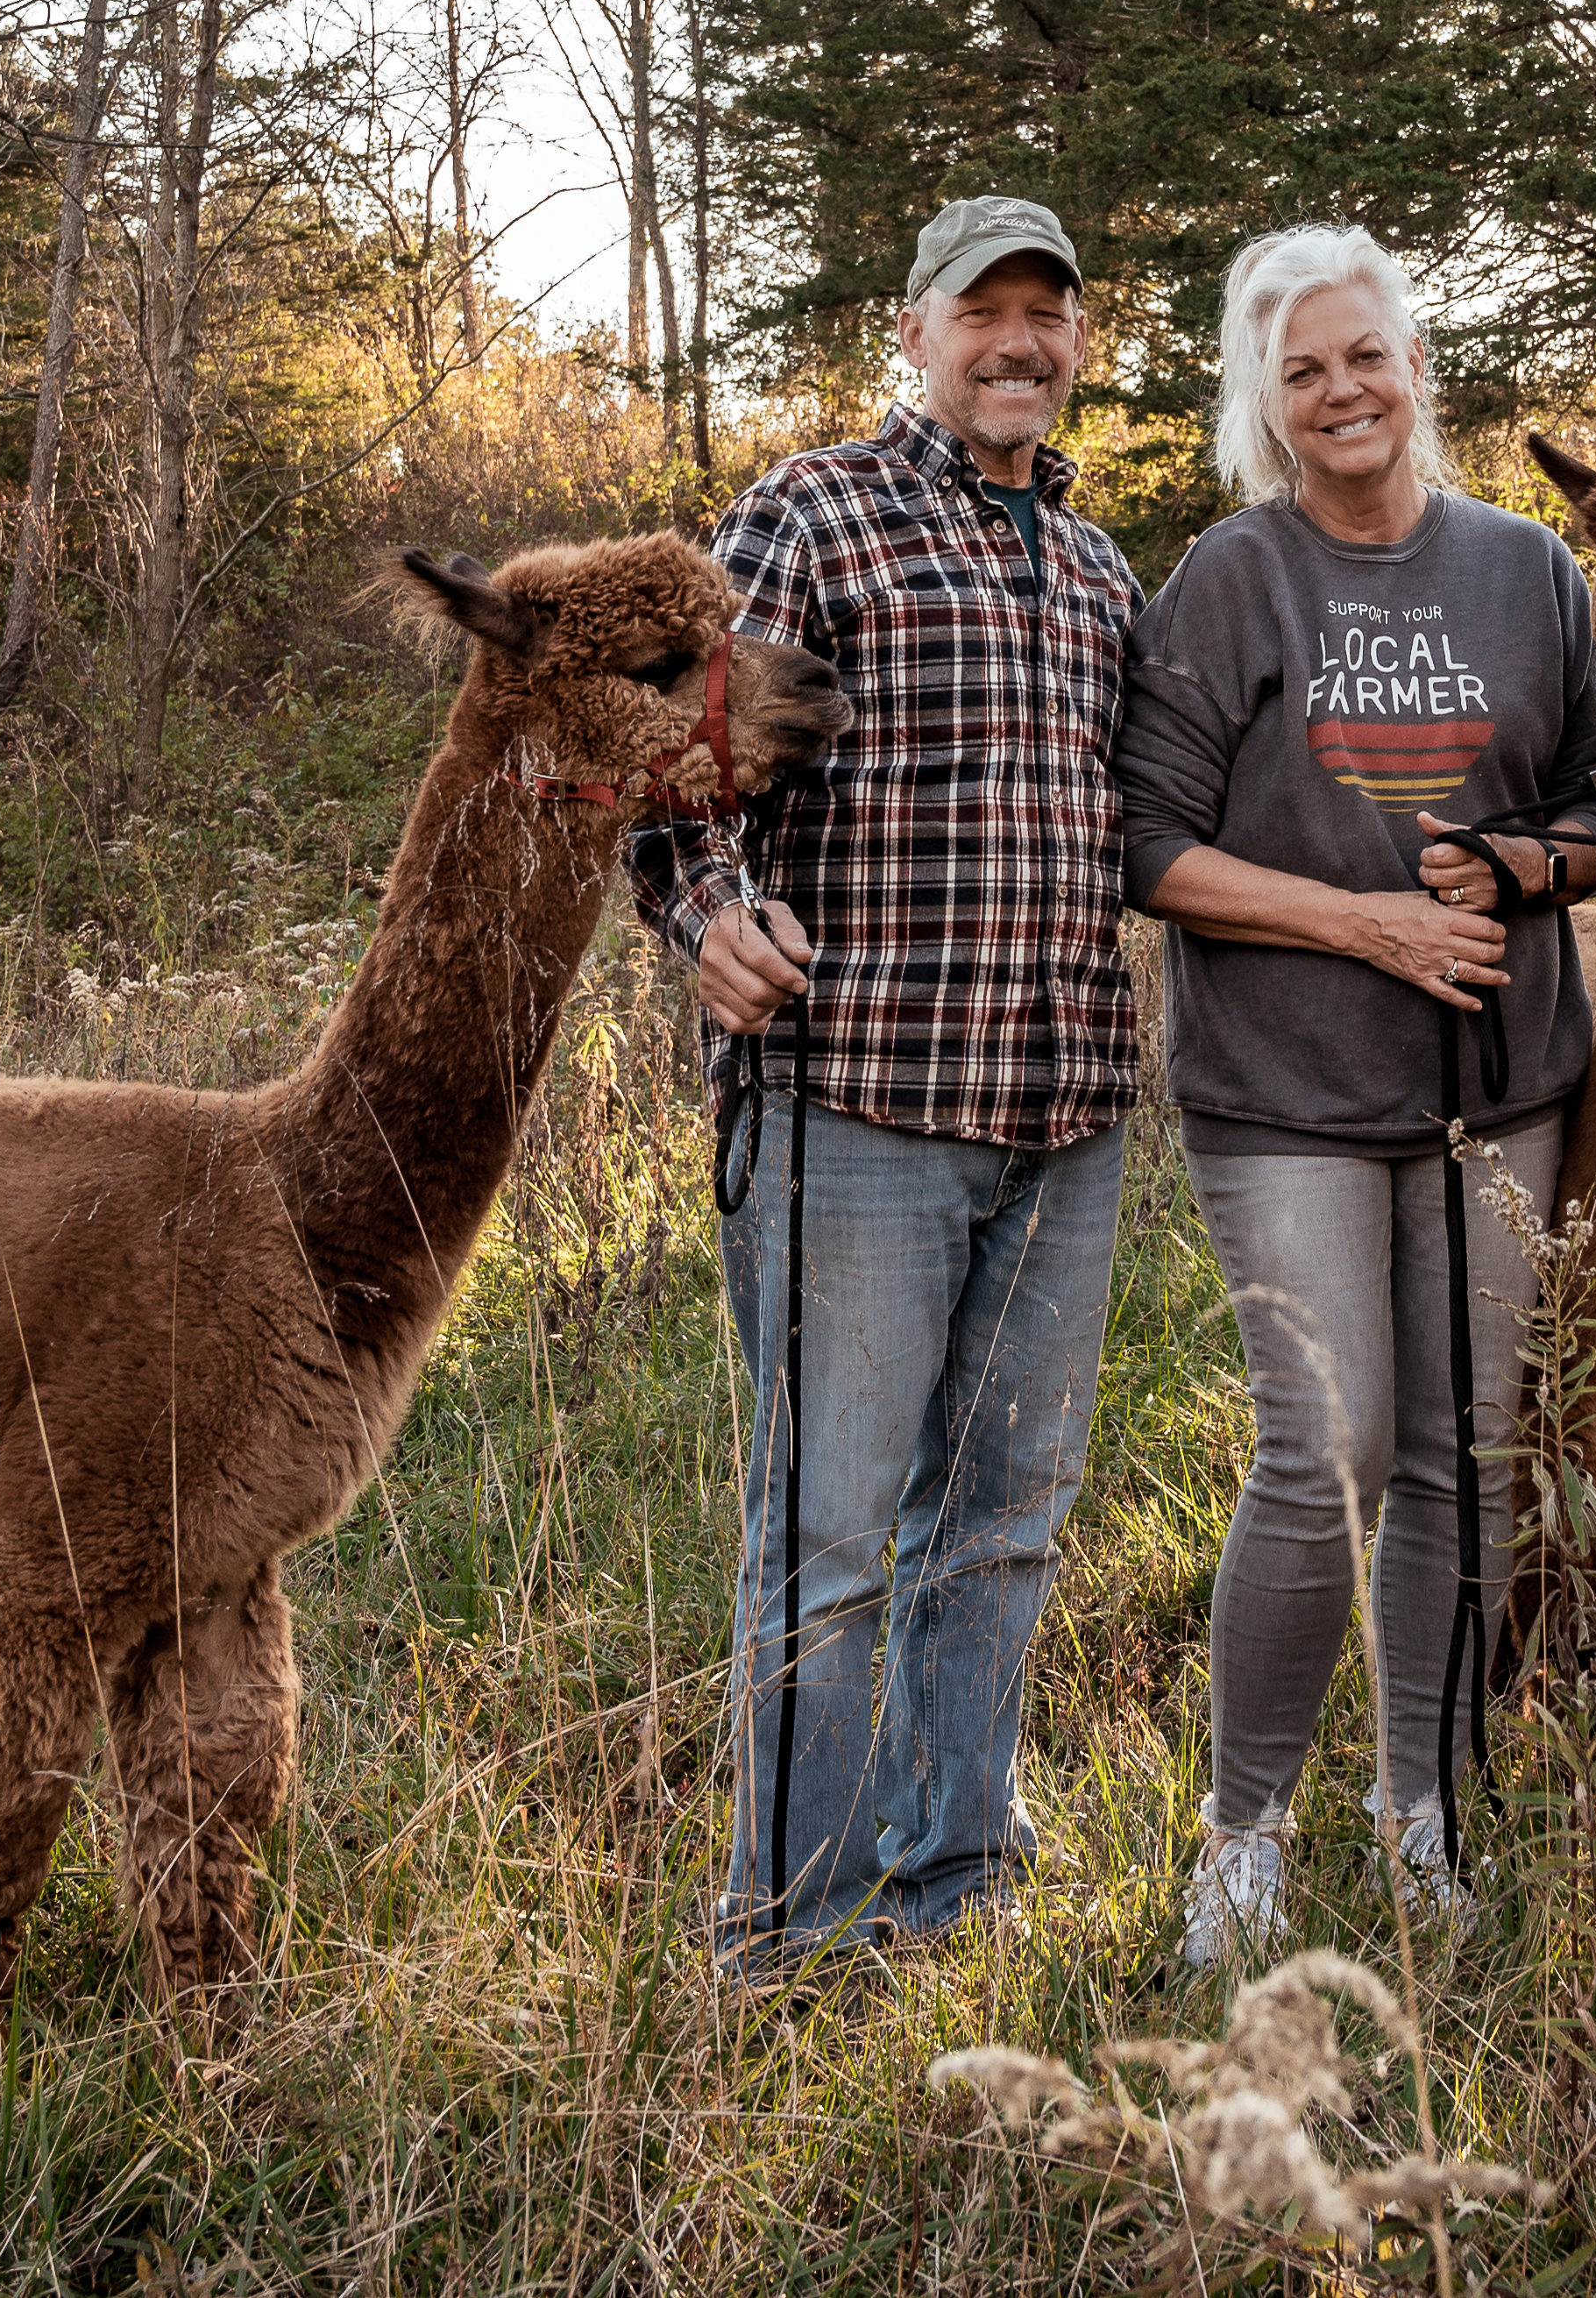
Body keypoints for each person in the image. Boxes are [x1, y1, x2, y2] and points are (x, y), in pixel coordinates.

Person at [631, 195, 1143, 1965]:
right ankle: (786, 1924)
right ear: (915, 335)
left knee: (1000, 1531)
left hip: (1063, 1117)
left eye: (1047, 317)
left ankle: (951, 1887)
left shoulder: (1096, 570)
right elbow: (673, 777)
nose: (1018, 343)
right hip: (852, 1106)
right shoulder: (812, 514)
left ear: (1079, 347)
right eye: (982, 311)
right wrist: (709, 917)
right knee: (833, 1538)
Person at [1113, 223, 1596, 1965]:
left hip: (1498, 1088)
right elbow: (1149, 848)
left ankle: (1423, 1817)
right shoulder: (1231, 582)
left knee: (1463, 1464)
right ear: (1269, 403)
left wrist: (1523, 874)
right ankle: (1239, 1840)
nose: (1341, 391)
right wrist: (1369, 926)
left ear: (1416, 370)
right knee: (1318, 1454)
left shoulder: (1529, 572)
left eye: (1365, 356)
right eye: (1301, 369)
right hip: (1284, 1092)